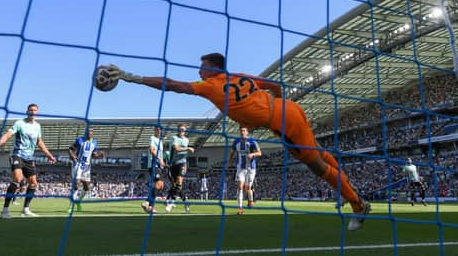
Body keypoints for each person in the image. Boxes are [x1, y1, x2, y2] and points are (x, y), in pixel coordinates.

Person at [105, 53, 371, 230]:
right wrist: (272, 108)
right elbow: (274, 85)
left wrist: (133, 78)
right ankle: (350, 194)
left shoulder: (209, 85)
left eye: (202, 65)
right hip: (287, 109)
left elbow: (173, 85)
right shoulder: (240, 76)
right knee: (321, 154)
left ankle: (358, 205)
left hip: (281, 121)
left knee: (316, 165)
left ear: (211, 67)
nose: (199, 69)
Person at [0, 103, 56, 219]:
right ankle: (5, 211)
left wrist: (49, 155)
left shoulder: (37, 126)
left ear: (37, 112)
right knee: (17, 179)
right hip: (17, 155)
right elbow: (7, 136)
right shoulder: (19, 123)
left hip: (29, 158)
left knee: (33, 183)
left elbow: (39, 142)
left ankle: (25, 209)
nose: (33, 112)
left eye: (35, 110)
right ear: (27, 111)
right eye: (31, 110)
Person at [68, 128, 105, 213]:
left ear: (93, 133)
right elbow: (70, 148)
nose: (89, 132)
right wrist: (72, 155)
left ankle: (78, 202)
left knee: (86, 187)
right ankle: (71, 206)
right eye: (87, 131)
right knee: (77, 184)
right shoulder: (80, 140)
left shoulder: (94, 142)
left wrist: (100, 156)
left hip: (87, 166)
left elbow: (93, 155)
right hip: (78, 164)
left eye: (91, 131)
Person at [228, 126, 262, 214]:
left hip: (251, 168)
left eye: (244, 131)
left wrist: (253, 154)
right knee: (240, 187)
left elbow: (259, 153)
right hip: (240, 168)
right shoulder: (236, 141)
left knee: (247, 188)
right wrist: (229, 163)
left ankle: (250, 200)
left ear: (247, 132)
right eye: (241, 131)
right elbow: (232, 152)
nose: (242, 132)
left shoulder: (253, 142)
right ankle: (240, 208)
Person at [165, 124, 194, 213]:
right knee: (176, 186)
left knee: (179, 181)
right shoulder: (174, 138)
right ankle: (186, 202)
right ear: (177, 130)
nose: (182, 131)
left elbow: (184, 153)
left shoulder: (186, 140)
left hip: (182, 163)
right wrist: (188, 148)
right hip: (173, 164)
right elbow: (176, 148)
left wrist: (185, 165)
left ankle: (171, 203)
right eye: (180, 130)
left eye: (183, 130)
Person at [141, 126, 166, 214]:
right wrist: (159, 160)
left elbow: (160, 154)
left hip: (159, 165)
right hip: (154, 164)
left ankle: (151, 206)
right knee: (159, 184)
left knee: (160, 185)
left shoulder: (161, 141)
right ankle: (147, 202)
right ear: (154, 130)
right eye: (157, 130)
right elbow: (151, 150)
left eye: (160, 130)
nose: (159, 131)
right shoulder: (152, 138)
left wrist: (162, 161)